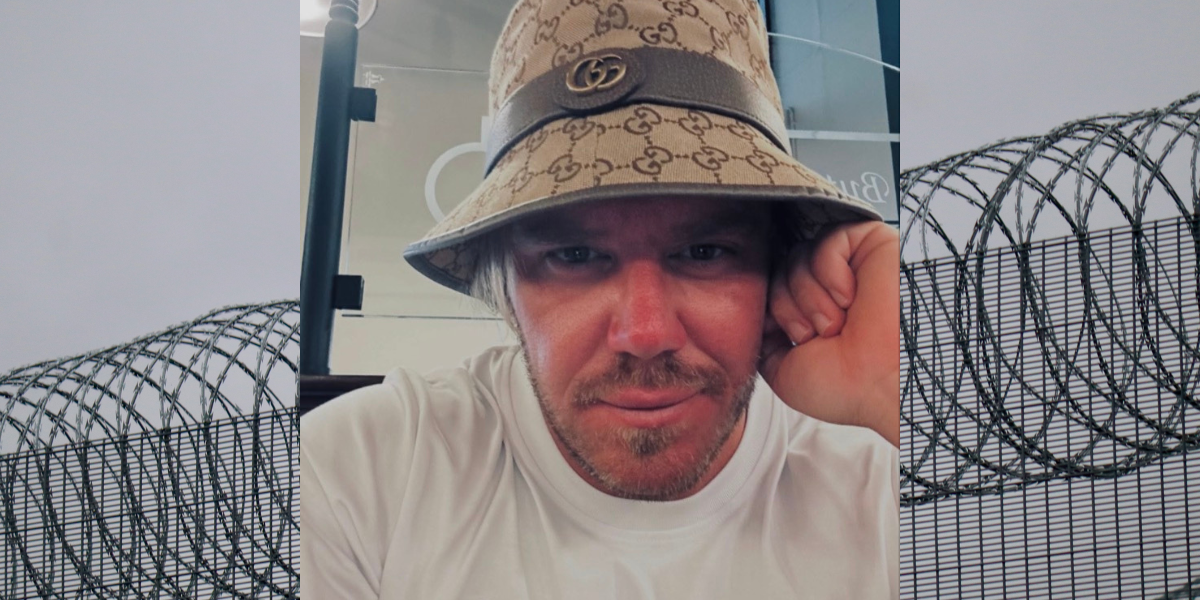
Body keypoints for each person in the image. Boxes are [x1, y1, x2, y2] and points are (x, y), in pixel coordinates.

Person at [300, 0, 899, 597]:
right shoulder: (355, 475)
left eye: (704, 252)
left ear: (778, 265)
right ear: (505, 286)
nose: (645, 334)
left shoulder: (881, 487)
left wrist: (888, 395)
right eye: (574, 255)